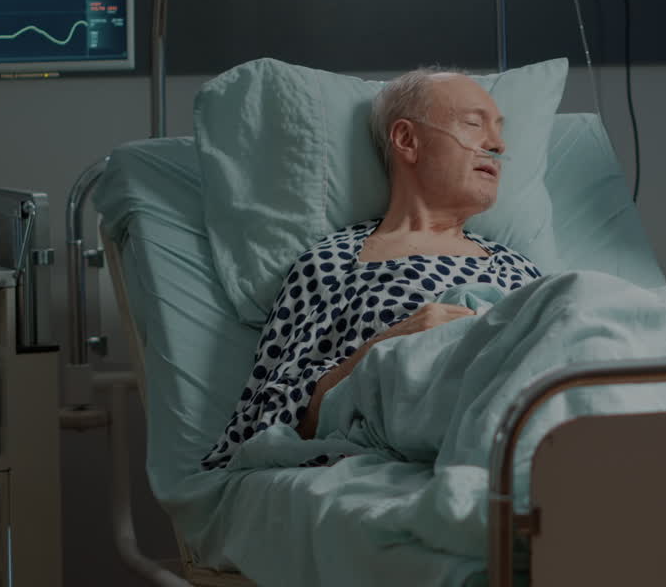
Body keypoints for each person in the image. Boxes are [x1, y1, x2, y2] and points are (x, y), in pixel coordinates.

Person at [202, 69, 542, 468]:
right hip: (433, 420)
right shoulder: (335, 263)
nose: (498, 145)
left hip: (530, 406)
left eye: (499, 129)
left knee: (583, 296)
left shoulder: (517, 266)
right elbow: (262, 425)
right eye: (473, 124)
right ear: (407, 140)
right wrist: (390, 344)